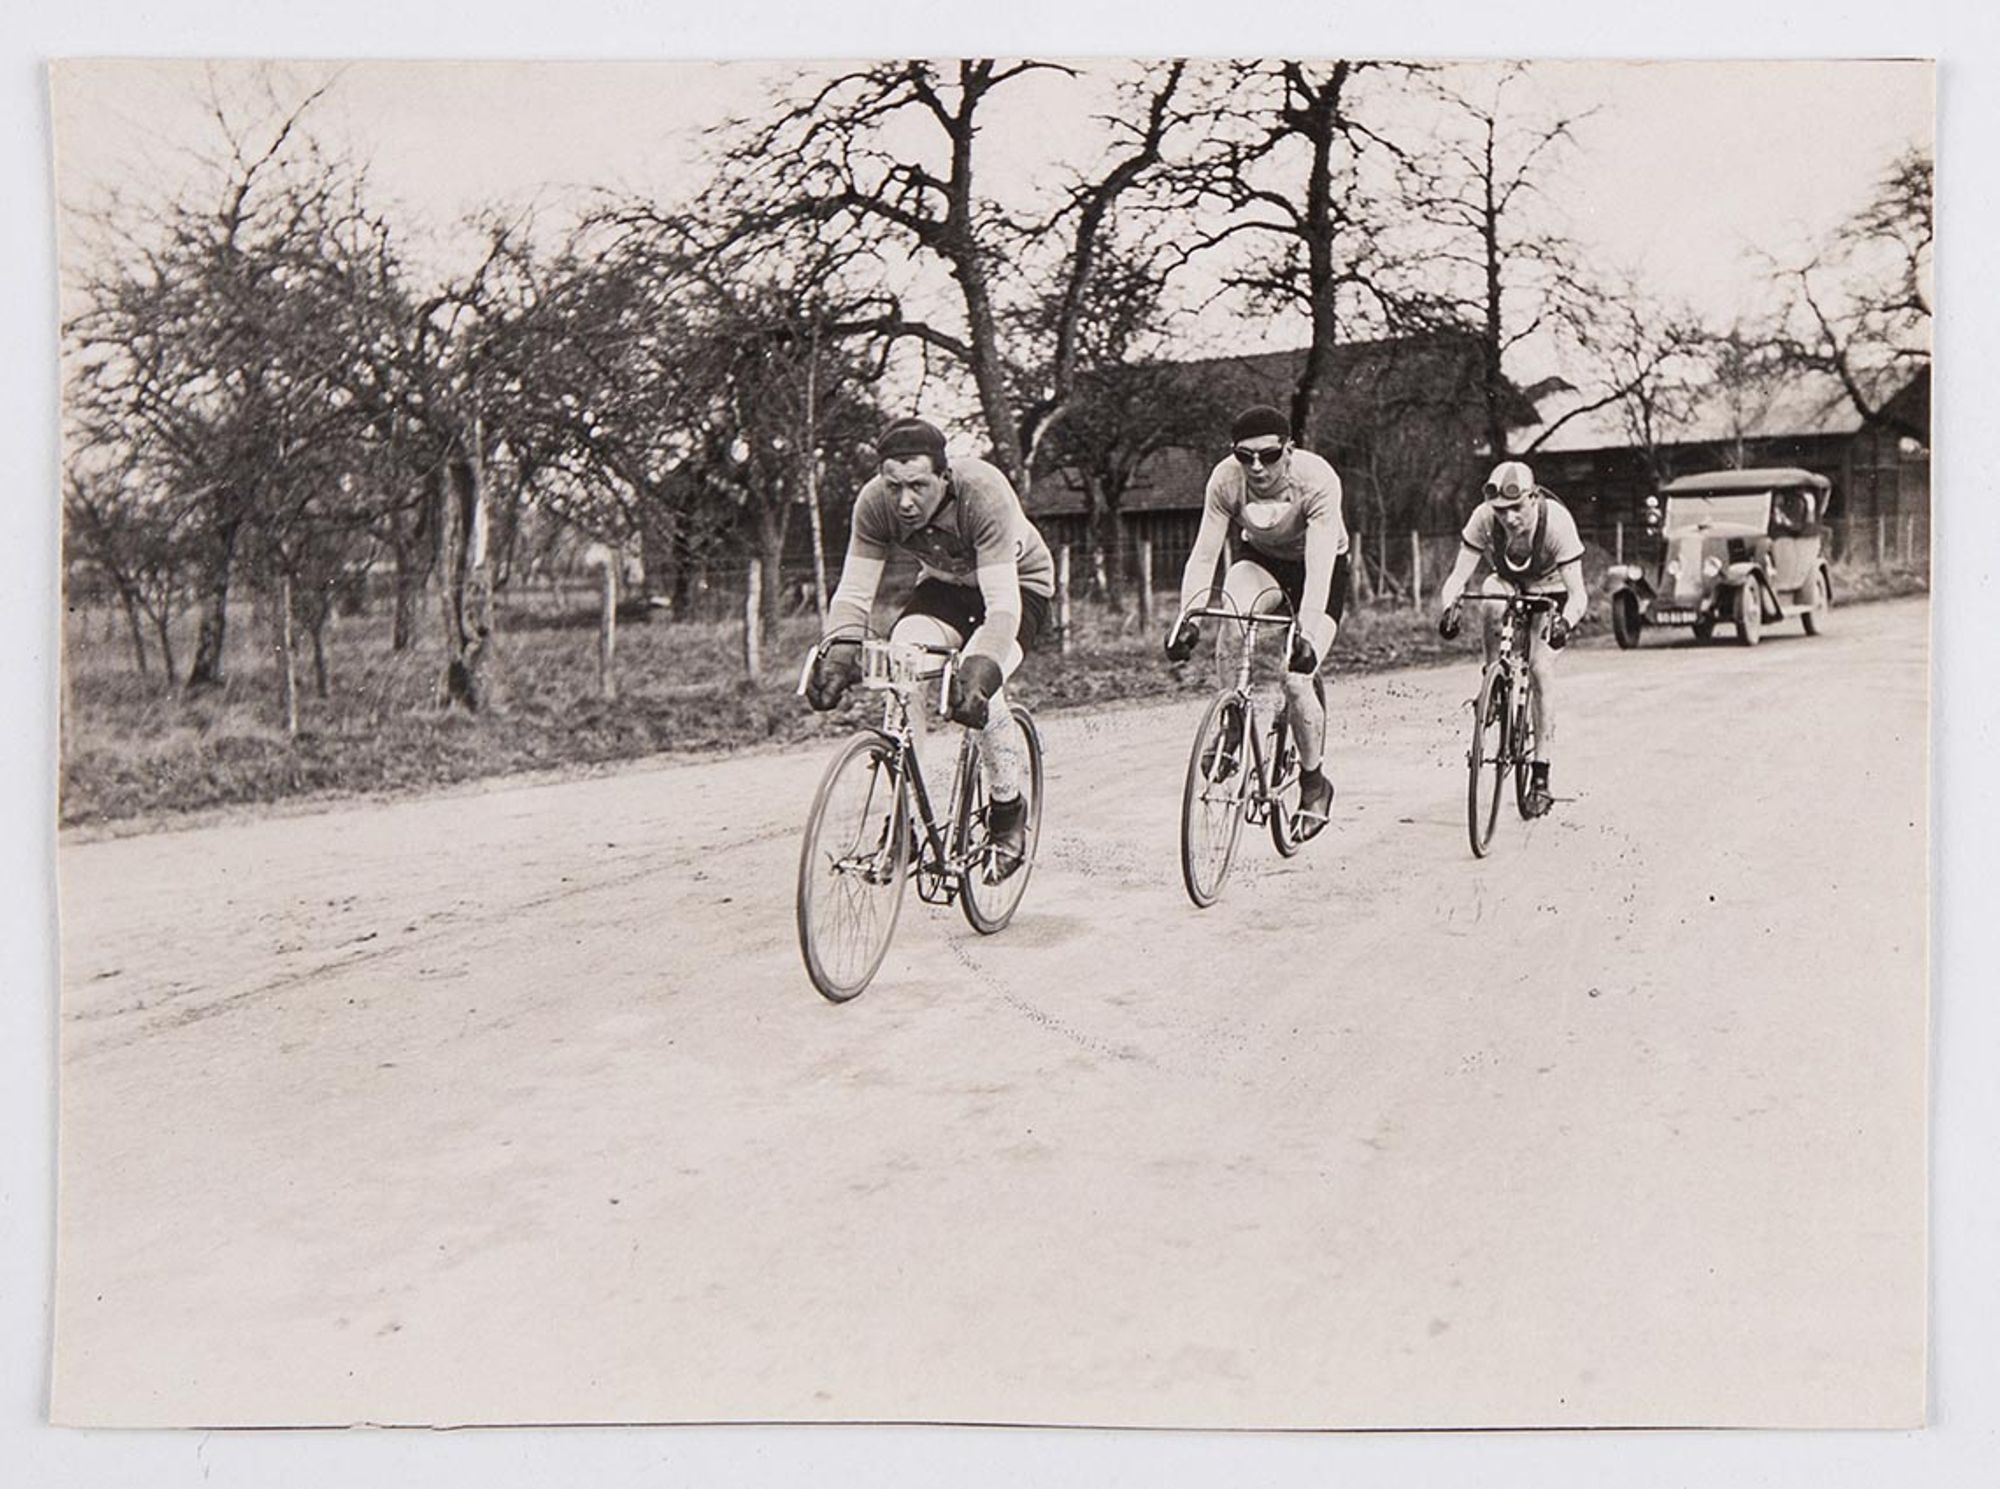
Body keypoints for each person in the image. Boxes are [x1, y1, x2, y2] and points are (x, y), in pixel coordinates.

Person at [804, 416, 1054, 876]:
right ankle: (907, 824)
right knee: (902, 661)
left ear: (945, 475)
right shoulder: (874, 505)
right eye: (893, 485)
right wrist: (839, 650)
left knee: (982, 691)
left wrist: (981, 669)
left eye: (918, 485)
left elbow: (1001, 608)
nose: (904, 501)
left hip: (1017, 589)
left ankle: (1007, 811)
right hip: (945, 588)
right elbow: (853, 594)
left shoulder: (983, 492)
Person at [1163, 404, 1351, 836]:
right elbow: (1205, 552)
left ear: (1289, 450)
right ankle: (1232, 722)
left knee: (1296, 679)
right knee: (1232, 617)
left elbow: (1320, 565)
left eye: (1268, 455)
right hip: (1262, 560)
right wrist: (1186, 617)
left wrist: (1303, 631)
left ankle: (1314, 782)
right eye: (1244, 456)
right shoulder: (1225, 479)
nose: (1256, 466)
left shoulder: (1317, 479)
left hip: (1318, 569)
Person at [1434, 458, 1590, 819]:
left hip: (1552, 592)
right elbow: (1458, 577)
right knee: (1490, 599)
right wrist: (1448, 608)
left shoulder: (1557, 523)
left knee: (1539, 668)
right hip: (1510, 583)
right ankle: (1492, 679)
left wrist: (1565, 623)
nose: (1510, 519)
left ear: (1533, 498)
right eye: (1501, 511)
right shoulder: (1484, 518)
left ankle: (1540, 775)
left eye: (1517, 508)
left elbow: (1579, 594)